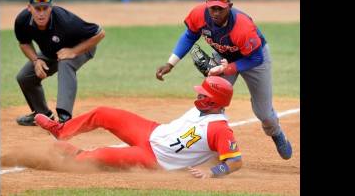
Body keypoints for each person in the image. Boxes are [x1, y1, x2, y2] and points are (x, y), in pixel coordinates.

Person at [155, 0, 292, 160]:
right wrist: (170, 63)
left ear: (230, 7)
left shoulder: (242, 27)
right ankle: (207, 147)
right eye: (212, 8)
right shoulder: (199, 14)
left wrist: (228, 68)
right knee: (210, 100)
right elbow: (190, 36)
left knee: (264, 113)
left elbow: (256, 58)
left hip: (254, 59)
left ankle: (276, 133)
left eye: (220, 9)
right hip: (223, 56)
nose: (216, 12)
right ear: (207, 4)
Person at [35, 76, 242, 178]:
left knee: (96, 157)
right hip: (151, 130)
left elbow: (235, 162)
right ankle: (60, 131)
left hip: (153, 158)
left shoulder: (220, 129)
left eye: (203, 95)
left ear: (215, 102)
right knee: (103, 113)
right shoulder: (205, 109)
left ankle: (76, 155)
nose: (198, 96)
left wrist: (212, 172)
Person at [14, 0, 105, 126]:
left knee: (65, 62)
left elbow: (99, 33)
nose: (41, 13)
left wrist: (74, 51)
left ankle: (65, 119)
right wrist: (36, 60)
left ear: (51, 8)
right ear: (29, 8)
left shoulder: (66, 21)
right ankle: (42, 115)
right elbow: (24, 43)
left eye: (45, 8)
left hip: (82, 47)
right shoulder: (22, 21)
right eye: (37, 8)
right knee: (24, 77)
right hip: (50, 51)